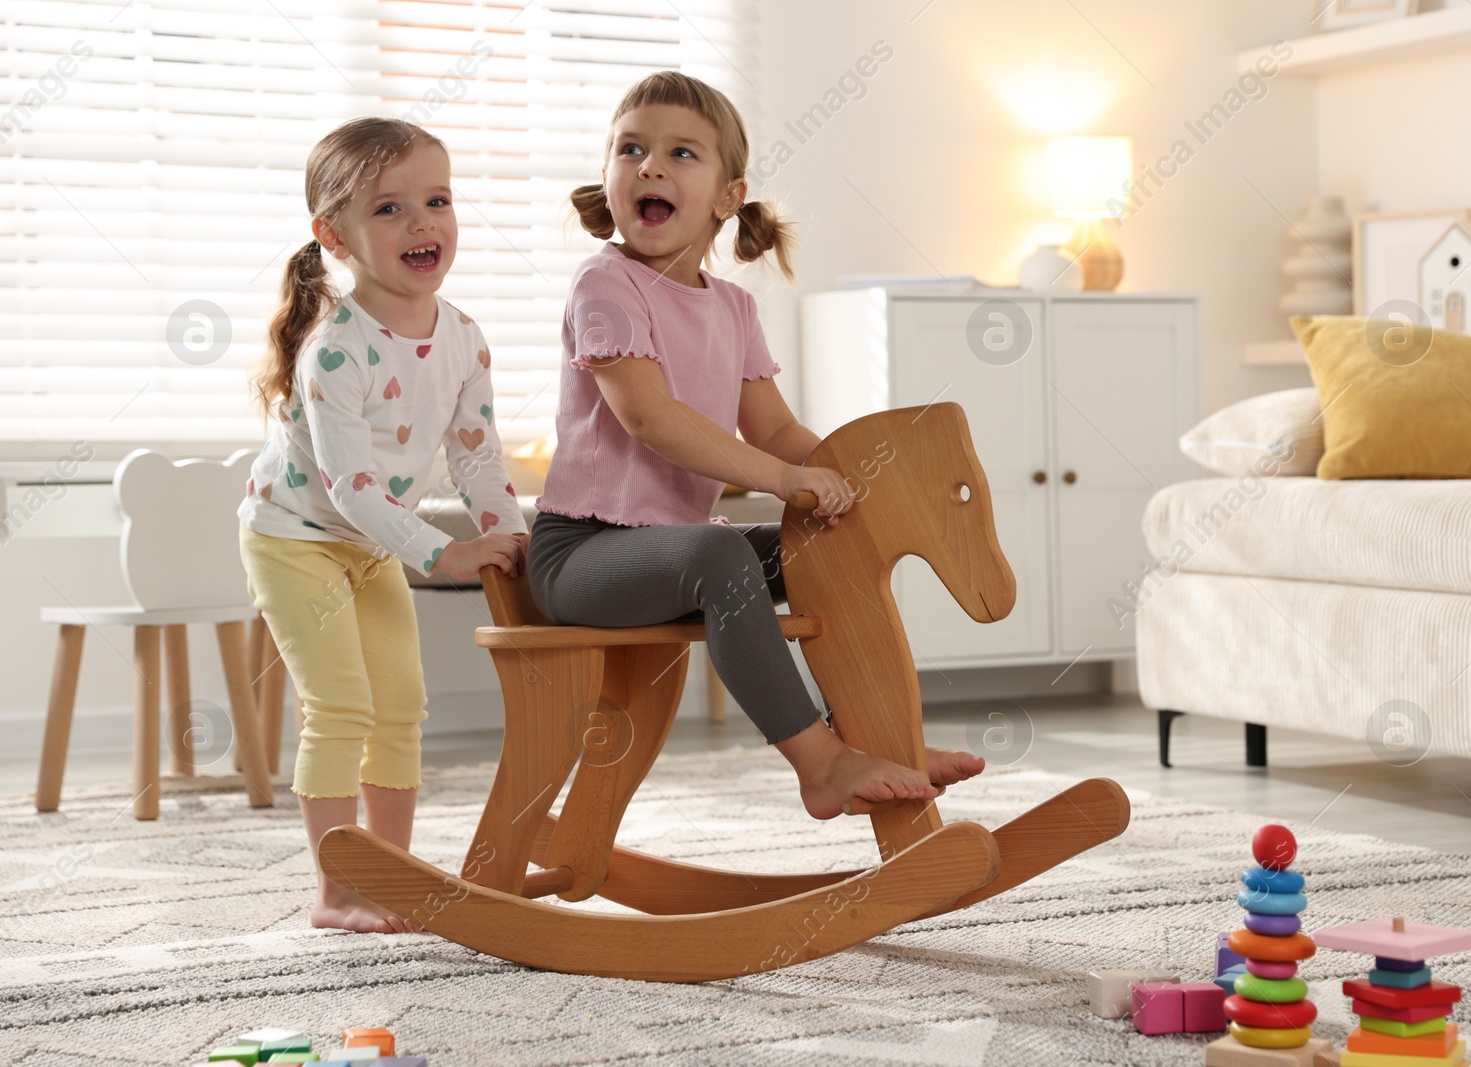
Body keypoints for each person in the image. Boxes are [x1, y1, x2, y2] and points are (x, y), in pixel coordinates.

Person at [527, 71, 986, 820]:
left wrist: (852, 486)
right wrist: (783, 477)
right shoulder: (604, 284)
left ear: (726, 197)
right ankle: (819, 763)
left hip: (669, 550)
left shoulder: (734, 308)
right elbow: (651, 418)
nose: (650, 166)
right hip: (580, 553)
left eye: (681, 154)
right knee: (719, 554)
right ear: (608, 176)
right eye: (631, 149)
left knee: (826, 545)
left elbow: (773, 429)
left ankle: (884, 735)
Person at [238, 117, 527, 933]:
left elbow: (476, 458)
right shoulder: (337, 349)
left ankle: (384, 873)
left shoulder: (464, 338)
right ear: (335, 234)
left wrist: (507, 537)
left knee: (400, 704)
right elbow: (353, 485)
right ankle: (336, 891)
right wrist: (447, 552)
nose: (423, 223)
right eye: (391, 208)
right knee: (340, 706)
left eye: (437, 200)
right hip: (295, 537)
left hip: (370, 540)